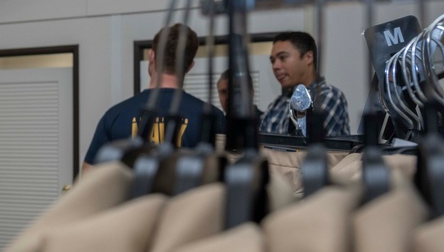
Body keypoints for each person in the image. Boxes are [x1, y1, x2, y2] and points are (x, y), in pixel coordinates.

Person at [83, 23, 226, 169]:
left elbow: (88, 178)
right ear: (190, 66)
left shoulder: (114, 116)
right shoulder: (212, 117)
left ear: (152, 56)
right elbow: (223, 181)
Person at [260, 31, 351, 136]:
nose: (275, 66)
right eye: (273, 61)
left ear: (308, 57)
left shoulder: (328, 96)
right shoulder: (276, 104)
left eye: (283, 57)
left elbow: (304, 144)